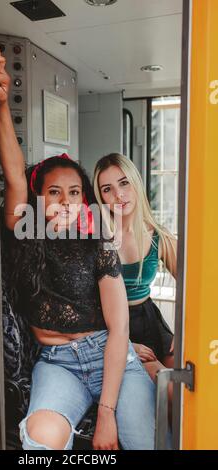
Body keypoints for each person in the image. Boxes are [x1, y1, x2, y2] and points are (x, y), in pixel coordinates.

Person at [0, 52, 156, 451]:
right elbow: (14, 171)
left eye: (75, 193)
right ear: (38, 198)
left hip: (112, 358)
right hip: (57, 365)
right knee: (40, 441)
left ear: (84, 200)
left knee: (142, 442)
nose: (65, 202)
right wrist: (3, 105)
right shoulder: (24, 233)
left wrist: (107, 415)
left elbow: (119, 329)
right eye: (54, 192)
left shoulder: (99, 243)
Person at [93, 153, 177, 388]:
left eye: (124, 183)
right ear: (100, 197)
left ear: (135, 183)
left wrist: (186, 329)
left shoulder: (159, 236)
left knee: (191, 377)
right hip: (110, 327)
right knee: (168, 387)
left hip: (150, 319)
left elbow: (197, 282)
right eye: (107, 189)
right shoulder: (96, 240)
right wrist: (124, 344)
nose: (119, 195)